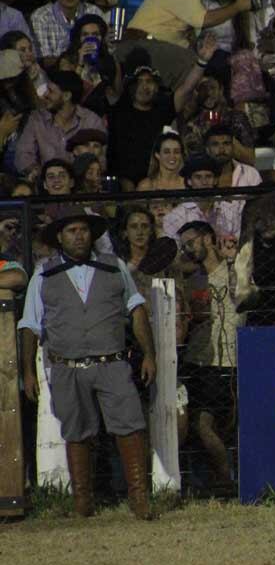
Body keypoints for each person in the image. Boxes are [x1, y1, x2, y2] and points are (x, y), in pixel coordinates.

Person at [19, 208, 155, 519]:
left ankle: (139, 498)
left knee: (130, 426)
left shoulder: (113, 267)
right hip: (67, 366)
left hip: (113, 362)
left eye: (83, 230)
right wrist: (28, 371)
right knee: (77, 432)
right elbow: (29, 325)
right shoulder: (43, 274)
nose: (79, 236)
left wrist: (149, 354)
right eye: (72, 231)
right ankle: (83, 502)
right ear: (59, 238)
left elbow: (136, 310)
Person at [119, 0, 252, 91]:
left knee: (204, 68)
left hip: (154, 46)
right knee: (194, 70)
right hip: (143, 45)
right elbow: (204, 20)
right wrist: (237, 7)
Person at [178, 219, 243, 487]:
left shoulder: (234, 272)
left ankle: (226, 479)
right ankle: (222, 478)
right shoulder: (191, 281)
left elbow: (251, 297)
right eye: (184, 247)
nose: (188, 250)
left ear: (207, 239)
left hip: (227, 360)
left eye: (191, 243)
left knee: (213, 425)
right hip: (199, 359)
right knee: (202, 425)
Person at [14, 71, 106, 179]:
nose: (45, 95)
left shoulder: (91, 121)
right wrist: (42, 173)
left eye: (51, 91)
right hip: (47, 187)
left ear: (66, 96)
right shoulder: (37, 119)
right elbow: (23, 156)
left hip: (82, 188)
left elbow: (101, 161)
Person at [29, 0, 108, 68]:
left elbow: (107, 50)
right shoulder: (41, 17)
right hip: (55, 72)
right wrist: (75, 60)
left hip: (92, 67)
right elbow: (43, 60)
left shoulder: (94, 12)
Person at [163, 154, 246, 241]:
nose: (204, 182)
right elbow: (175, 250)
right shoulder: (175, 217)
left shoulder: (232, 211)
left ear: (215, 180)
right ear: (189, 181)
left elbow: (239, 244)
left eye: (208, 176)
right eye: (198, 177)